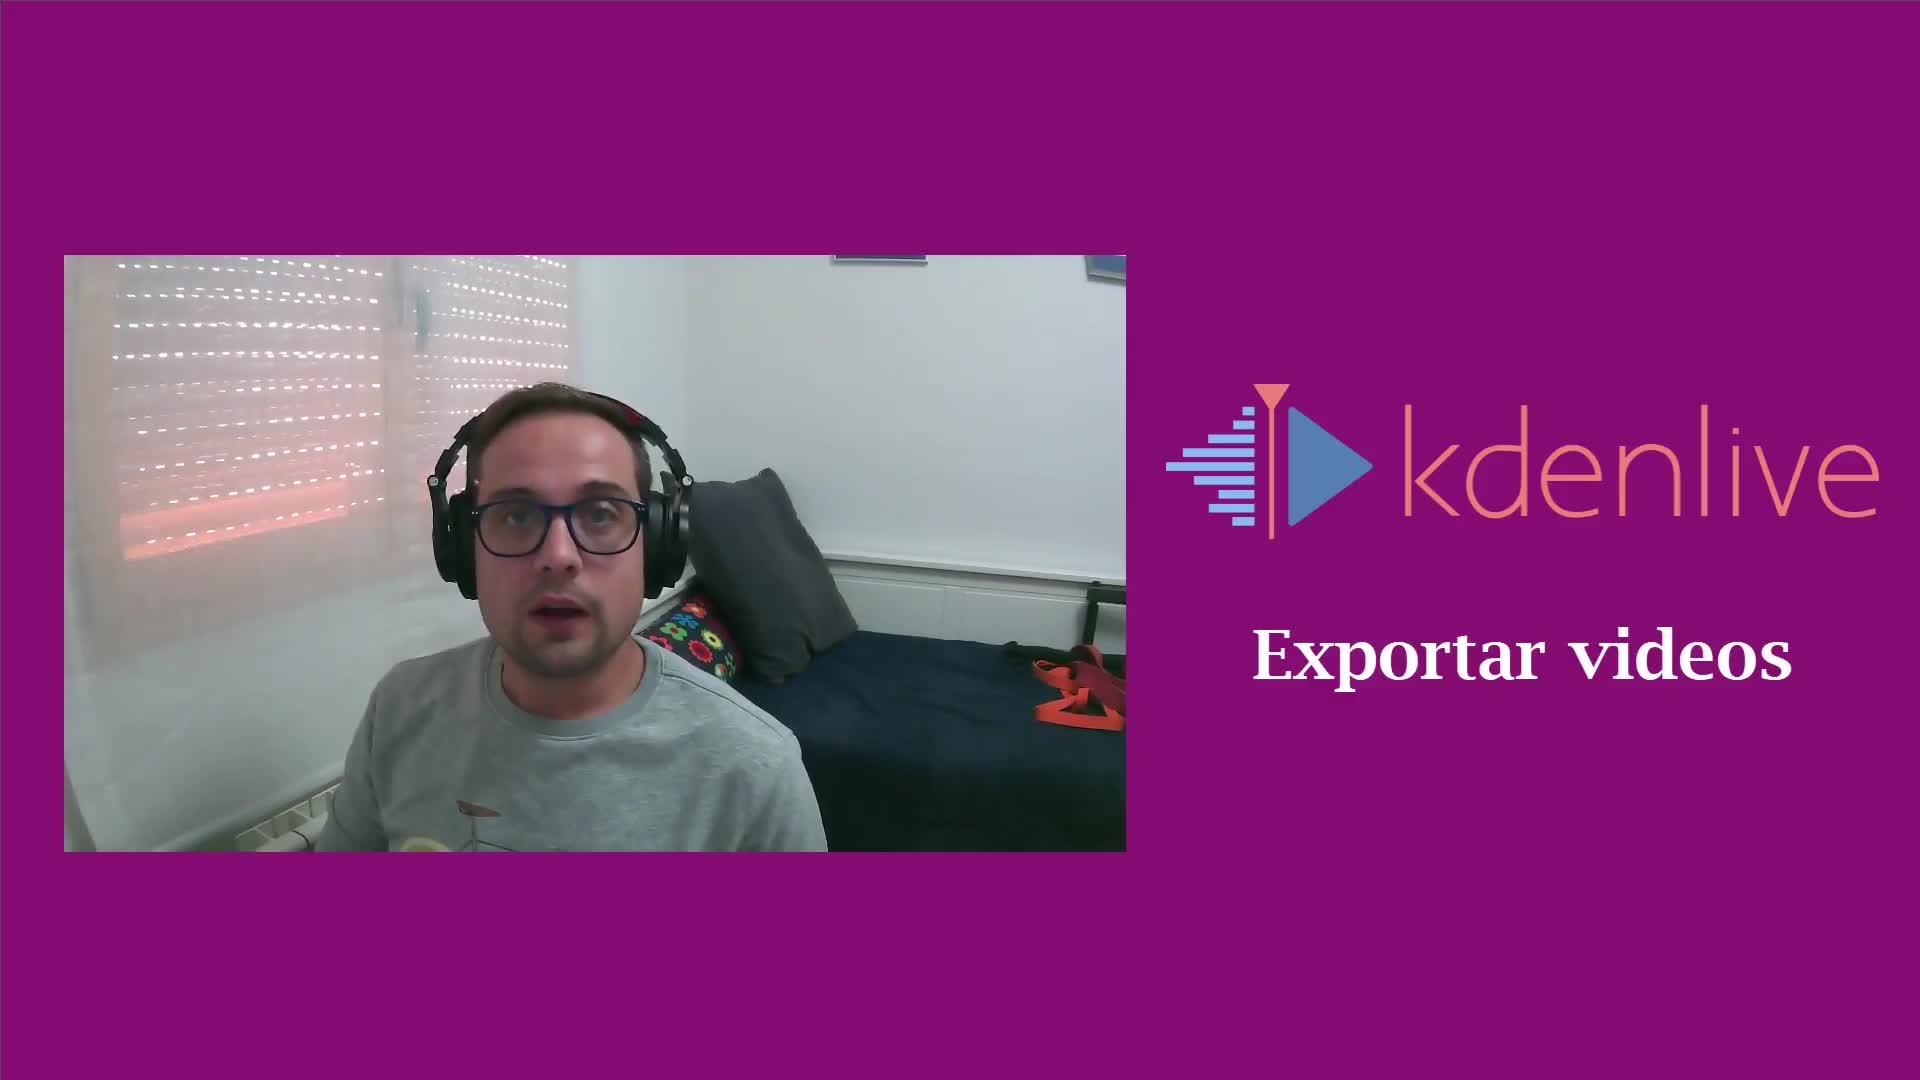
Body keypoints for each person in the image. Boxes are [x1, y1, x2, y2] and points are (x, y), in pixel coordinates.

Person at [316, 383, 827, 851]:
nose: (558, 556)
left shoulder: (755, 768)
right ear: (464, 552)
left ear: (656, 547)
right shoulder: (400, 709)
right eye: (516, 515)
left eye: (601, 514)